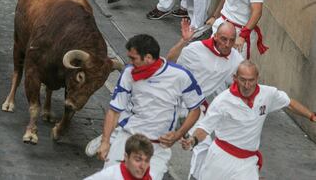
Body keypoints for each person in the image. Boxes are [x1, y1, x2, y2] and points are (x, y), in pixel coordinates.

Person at [181, 60, 316, 180]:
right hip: (221, 158)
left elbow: (289, 103)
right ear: (235, 78)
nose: (247, 85)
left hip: (247, 162)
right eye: (243, 80)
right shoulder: (222, 101)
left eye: (251, 80)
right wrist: (193, 140)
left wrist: (311, 116)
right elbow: (205, 128)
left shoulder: (268, 94)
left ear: (257, 78)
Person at [96, 34, 205, 180]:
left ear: (147, 57)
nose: (130, 62)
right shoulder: (128, 73)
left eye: (133, 58)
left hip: (157, 148)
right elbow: (114, 111)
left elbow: (195, 109)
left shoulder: (180, 76)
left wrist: (177, 135)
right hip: (127, 140)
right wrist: (105, 141)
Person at [166, 19, 243, 179]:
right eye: (224, 39)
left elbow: (245, 77)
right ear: (215, 37)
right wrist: (183, 41)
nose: (228, 44)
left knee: (204, 145)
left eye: (231, 40)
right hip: (171, 102)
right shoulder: (195, 49)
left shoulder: (236, 59)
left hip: (196, 108)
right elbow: (170, 61)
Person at [85, 134, 154, 180]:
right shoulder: (109, 175)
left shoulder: (150, 177)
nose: (143, 166)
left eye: (147, 161)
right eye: (138, 160)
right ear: (126, 157)